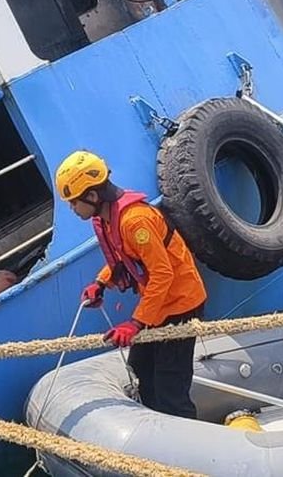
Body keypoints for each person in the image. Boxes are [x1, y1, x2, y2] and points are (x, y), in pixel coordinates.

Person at [55, 151, 207, 418]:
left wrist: (135, 323)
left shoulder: (135, 221)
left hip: (181, 305)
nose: (72, 209)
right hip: (159, 305)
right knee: (141, 368)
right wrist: (101, 283)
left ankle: (185, 442)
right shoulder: (106, 218)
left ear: (92, 196)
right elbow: (123, 258)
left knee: (171, 386)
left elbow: (163, 274)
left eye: (73, 203)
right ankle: (155, 429)